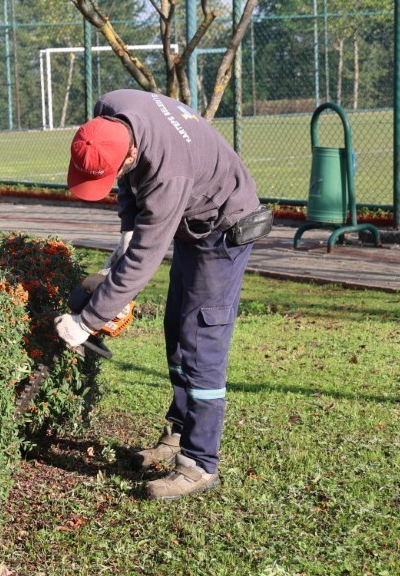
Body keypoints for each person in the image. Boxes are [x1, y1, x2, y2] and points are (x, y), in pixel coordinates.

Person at [53, 89, 271, 500]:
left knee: (200, 339)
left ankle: (199, 464)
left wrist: (86, 322)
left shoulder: (169, 176)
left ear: (130, 154)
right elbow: (133, 195)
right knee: (176, 326)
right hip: (192, 216)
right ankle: (177, 431)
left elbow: (142, 263)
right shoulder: (112, 107)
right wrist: (123, 239)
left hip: (223, 226)